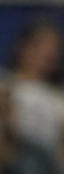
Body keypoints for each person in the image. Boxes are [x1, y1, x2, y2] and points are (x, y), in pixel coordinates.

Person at [7, 19, 64, 157]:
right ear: (22, 46)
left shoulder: (59, 97)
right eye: (39, 45)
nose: (47, 52)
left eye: (53, 48)